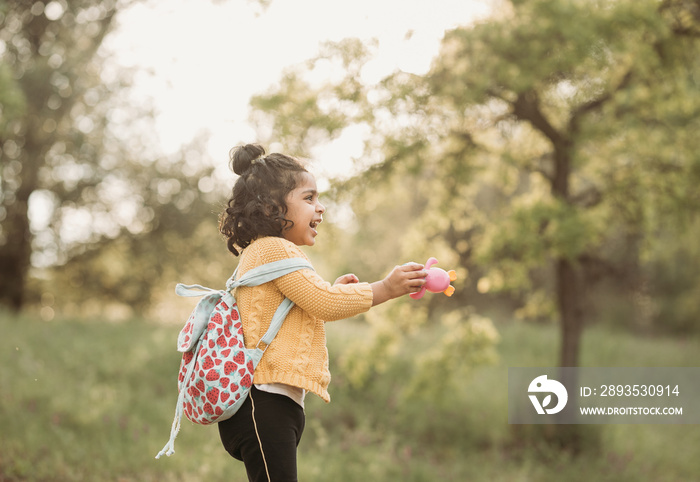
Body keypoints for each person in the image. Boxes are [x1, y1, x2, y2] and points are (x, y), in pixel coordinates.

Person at [217, 143, 426, 482]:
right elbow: (323, 301)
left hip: (273, 403)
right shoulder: (273, 248)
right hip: (262, 401)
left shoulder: (270, 253)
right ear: (272, 207)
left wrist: (335, 289)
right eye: (309, 198)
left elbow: (307, 303)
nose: (321, 208)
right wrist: (385, 288)